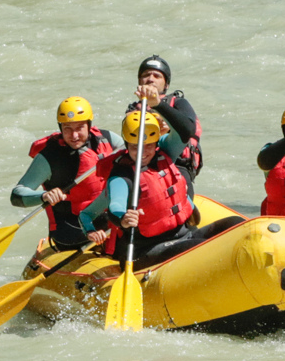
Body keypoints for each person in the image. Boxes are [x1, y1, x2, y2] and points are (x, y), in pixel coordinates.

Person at [77, 110, 242, 265]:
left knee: (237, 224)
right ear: (126, 145)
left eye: (148, 145)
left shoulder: (165, 153)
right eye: (135, 146)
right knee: (202, 248)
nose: (142, 151)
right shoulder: (121, 175)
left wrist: (158, 104)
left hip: (184, 235)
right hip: (147, 249)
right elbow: (115, 206)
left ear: (156, 143)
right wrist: (124, 219)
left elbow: (185, 130)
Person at [11, 96, 121, 251]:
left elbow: (136, 155)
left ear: (89, 125)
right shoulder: (49, 157)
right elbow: (16, 195)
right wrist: (44, 196)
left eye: (79, 128)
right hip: (72, 233)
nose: (74, 135)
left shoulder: (108, 139)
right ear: (60, 127)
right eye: (67, 128)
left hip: (110, 224)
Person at [126, 55, 202, 182]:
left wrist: (158, 105)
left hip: (177, 165)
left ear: (166, 84)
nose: (150, 79)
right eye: (146, 75)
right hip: (143, 161)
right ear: (140, 81)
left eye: (157, 76)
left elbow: (188, 129)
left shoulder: (179, 103)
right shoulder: (134, 109)